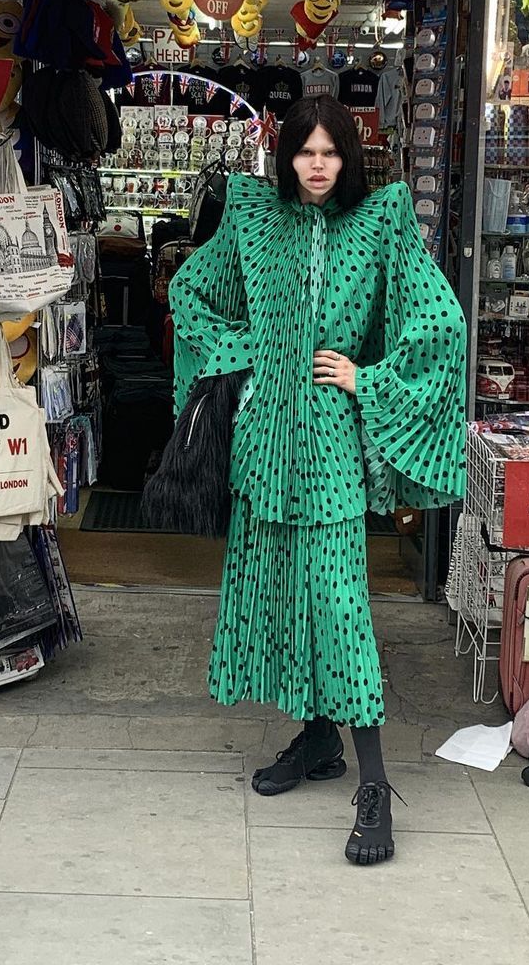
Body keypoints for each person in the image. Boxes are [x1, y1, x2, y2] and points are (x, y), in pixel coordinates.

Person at [169, 94, 466, 865]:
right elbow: (189, 292)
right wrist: (244, 352)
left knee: (339, 610)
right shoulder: (252, 217)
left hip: (330, 448)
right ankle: (316, 739)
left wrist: (369, 378)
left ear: (349, 156)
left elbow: (439, 325)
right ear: (287, 155)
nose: (318, 164)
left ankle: (375, 786)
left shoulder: (378, 224)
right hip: (261, 445)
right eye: (306, 150)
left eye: (331, 151)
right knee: (280, 597)